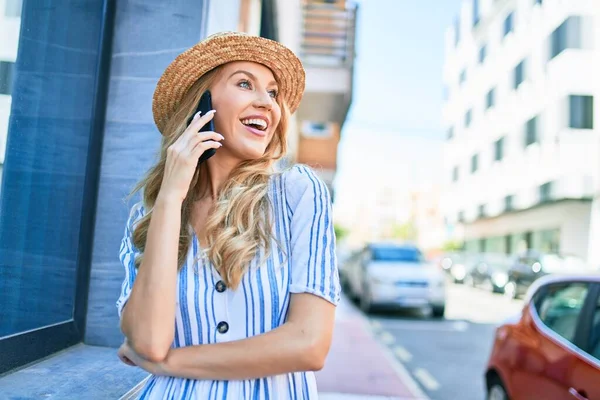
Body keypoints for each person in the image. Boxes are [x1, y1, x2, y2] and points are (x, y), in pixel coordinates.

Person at [115, 31, 340, 399]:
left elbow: (309, 345)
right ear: (201, 105)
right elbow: (148, 342)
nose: (267, 103)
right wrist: (172, 195)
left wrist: (169, 363)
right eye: (245, 84)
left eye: (272, 92)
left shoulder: (298, 193)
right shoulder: (150, 216)